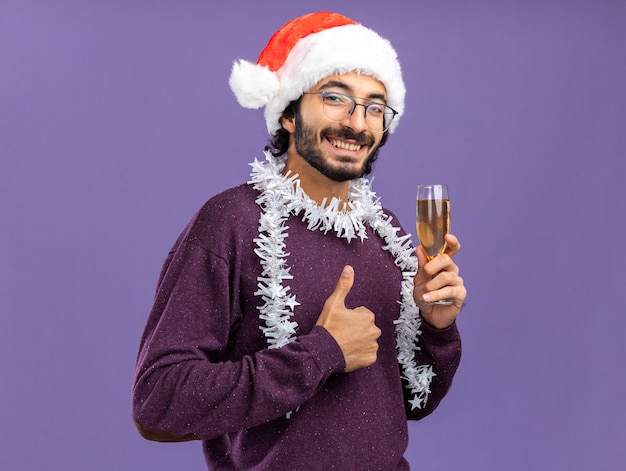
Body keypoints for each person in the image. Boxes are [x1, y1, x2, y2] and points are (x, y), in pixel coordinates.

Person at [131, 11, 466, 470]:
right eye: (335, 98)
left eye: (374, 107)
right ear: (289, 112)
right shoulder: (230, 222)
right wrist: (321, 352)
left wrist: (437, 327)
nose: (357, 122)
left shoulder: (387, 235)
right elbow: (158, 404)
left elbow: (413, 402)